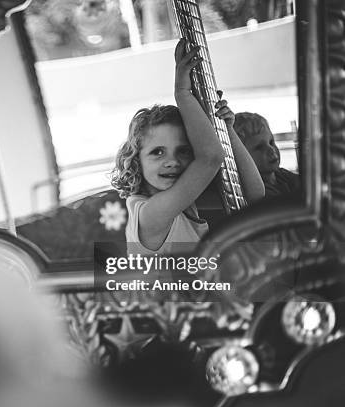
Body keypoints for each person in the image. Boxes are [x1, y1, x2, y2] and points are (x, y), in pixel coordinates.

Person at [110, 39, 265, 254]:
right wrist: (182, 93)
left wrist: (227, 130)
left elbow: (254, 194)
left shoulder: (184, 203)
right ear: (137, 160)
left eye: (183, 151)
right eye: (158, 152)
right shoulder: (148, 214)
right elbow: (211, 157)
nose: (172, 161)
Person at [233, 112, 301, 197]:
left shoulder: (282, 175)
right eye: (259, 147)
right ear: (242, 157)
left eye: (271, 142)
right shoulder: (258, 191)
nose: (271, 149)